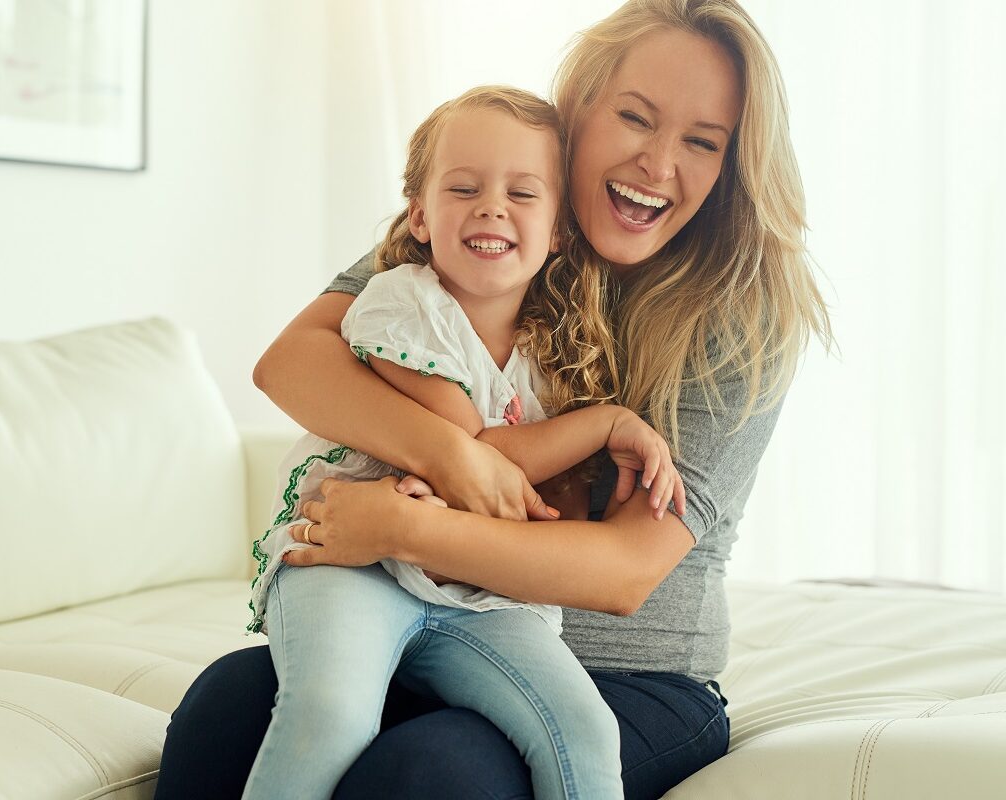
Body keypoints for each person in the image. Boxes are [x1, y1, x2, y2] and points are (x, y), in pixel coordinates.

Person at [155, 1, 832, 798]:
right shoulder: (488, 220)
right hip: (432, 616)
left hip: (628, 672)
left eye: (701, 142)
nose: (657, 163)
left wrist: (406, 524)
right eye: (635, 118)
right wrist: (453, 456)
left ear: (732, 167)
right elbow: (298, 363)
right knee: (223, 709)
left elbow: (622, 573)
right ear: (576, 111)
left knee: (428, 774)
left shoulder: (739, 314)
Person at [243, 85, 684, 800]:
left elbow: (538, 508)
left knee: (585, 730)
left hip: (482, 598)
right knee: (331, 713)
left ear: (560, 231)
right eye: (464, 187)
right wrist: (607, 424)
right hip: (353, 560)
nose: (492, 206)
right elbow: (472, 450)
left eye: (522, 192)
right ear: (420, 215)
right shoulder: (399, 303)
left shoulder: (555, 354)